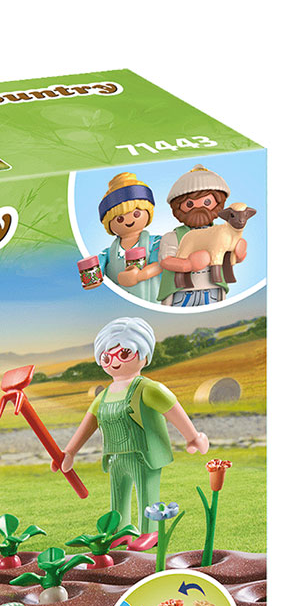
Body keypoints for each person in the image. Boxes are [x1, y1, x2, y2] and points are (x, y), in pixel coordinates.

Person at [59, 318, 209, 542]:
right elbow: (88, 424)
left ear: (144, 354)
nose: (115, 362)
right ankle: (120, 531)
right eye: (107, 357)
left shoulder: (148, 389)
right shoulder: (104, 396)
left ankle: (150, 532)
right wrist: (70, 452)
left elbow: (173, 410)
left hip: (144, 455)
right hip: (115, 456)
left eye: (124, 353)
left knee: (147, 493)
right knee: (118, 496)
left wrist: (193, 437)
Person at [155, 165, 240, 307]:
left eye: (207, 202)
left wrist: (237, 254)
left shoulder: (221, 233)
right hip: (182, 294)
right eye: (190, 204)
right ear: (178, 207)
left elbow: (227, 258)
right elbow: (165, 261)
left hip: (213, 291)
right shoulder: (173, 237)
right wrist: (188, 264)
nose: (198, 208)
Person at [92, 173, 162, 302]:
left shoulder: (155, 242)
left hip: (150, 300)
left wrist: (140, 275)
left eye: (136, 214)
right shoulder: (108, 253)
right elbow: (96, 270)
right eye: (120, 219)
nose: (129, 221)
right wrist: (93, 279)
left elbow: (161, 264)